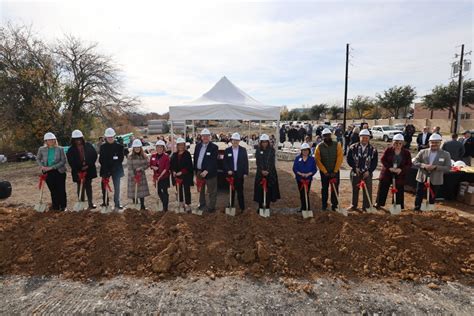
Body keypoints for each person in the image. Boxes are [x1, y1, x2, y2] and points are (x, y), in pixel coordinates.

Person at [412, 133, 451, 211]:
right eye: (432, 142)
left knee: (432, 196)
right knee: (419, 194)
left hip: (436, 179)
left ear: (440, 143)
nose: (434, 144)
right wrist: (423, 165)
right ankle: (417, 208)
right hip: (422, 177)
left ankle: (428, 210)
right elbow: (415, 161)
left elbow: (448, 167)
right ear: (429, 143)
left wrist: (436, 167)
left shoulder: (445, 154)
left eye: (436, 142)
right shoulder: (423, 152)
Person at [374, 134, 412, 210]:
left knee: (399, 188)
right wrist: (389, 168)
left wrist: (401, 170)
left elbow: (409, 164)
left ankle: (398, 205)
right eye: (395, 143)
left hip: (399, 173)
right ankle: (379, 203)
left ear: (403, 143)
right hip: (387, 172)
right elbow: (383, 160)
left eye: (399, 143)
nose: (397, 145)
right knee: (383, 187)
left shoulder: (406, 153)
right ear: (392, 143)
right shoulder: (388, 150)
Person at [347, 129, 378, 211]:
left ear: (369, 138)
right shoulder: (353, 147)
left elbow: (374, 162)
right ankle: (354, 205)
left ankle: (367, 206)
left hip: (367, 173)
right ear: (359, 137)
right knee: (355, 189)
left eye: (366, 138)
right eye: (363, 137)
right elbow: (349, 159)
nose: (364, 139)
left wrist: (369, 171)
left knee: (367, 189)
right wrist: (354, 167)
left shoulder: (373, 149)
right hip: (356, 172)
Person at [66, 129, 98, 210]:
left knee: (88, 186)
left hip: (89, 169)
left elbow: (94, 155)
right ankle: (81, 203)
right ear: (73, 140)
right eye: (76, 139)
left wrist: (88, 165)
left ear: (82, 138)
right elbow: (71, 161)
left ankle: (90, 203)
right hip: (78, 171)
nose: (78, 141)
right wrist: (79, 168)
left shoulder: (88, 145)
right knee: (80, 186)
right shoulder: (71, 150)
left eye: (79, 139)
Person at [36, 132, 67, 211]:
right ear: (45, 141)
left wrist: (52, 167)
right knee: (53, 190)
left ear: (55, 140)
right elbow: (38, 158)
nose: (50, 141)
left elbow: (63, 161)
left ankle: (63, 206)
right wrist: (42, 166)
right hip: (48, 173)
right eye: (48, 140)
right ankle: (55, 206)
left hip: (59, 172)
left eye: (52, 140)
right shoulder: (41, 149)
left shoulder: (60, 149)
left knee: (61, 189)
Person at [315, 128, 343, 211]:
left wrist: (335, 171)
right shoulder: (319, 147)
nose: (327, 137)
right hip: (324, 173)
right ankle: (324, 205)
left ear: (331, 135)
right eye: (325, 136)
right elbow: (318, 160)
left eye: (328, 135)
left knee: (335, 189)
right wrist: (325, 171)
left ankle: (334, 205)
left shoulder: (337, 145)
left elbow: (340, 158)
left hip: (335, 172)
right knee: (324, 189)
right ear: (322, 136)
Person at [99, 128, 125, 211]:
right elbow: (101, 160)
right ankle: (105, 202)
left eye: (111, 137)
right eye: (108, 137)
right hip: (105, 169)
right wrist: (107, 170)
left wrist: (113, 169)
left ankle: (117, 203)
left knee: (117, 187)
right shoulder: (102, 147)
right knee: (104, 186)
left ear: (114, 136)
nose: (110, 138)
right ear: (105, 137)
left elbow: (120, 159)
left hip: (116, 170)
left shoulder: (119, 147)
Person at [194, 128, 218, 212]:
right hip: (199, 172)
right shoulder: (198, 146)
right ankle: (202, 203)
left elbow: (213, 161)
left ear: (210, 137)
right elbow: (196, 158)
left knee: (212, 191)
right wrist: (196, 171)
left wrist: (207, 170)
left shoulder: (214, 147)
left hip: (210, 173)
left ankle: (211, 207)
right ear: (201, 137)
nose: (205, 138)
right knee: (201, 189)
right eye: (203, 136)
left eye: (207, 136)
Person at [223, 133, 249, 212]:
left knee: (240, 191)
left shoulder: (243, 150)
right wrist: (228, 170)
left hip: (239, 174)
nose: (235, 142)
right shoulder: (227, 150)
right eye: (234, 140)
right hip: (231, 174)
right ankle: (231, 204)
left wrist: (245, 172)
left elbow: (245, 162)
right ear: (231, 141)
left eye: (237, 140)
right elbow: (225, 162)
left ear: (239, 141)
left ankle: (242, 207)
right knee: (231, 190)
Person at [254, 134, 280, 211]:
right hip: (260, 173)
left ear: (268, 142)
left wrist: (268, 170)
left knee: (269, 190)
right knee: (260, 190)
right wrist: (262, 170)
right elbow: (258, 161)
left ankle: (267, 206)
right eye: (263, 142)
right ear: (260, 142)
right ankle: (260, 206)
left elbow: (272, 162)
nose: (264, 143)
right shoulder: (258, 150)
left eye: (266, 142)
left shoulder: (272, 150)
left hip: (270, 173)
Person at [170, 138, 194, 211]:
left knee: (186, 190)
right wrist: (173, 171)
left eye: (182, 145)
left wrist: (182, 172)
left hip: (186, 176)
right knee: (179, 190)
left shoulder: (187, 154)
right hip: (177, 176)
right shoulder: (174, 155)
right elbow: (172, 165)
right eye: (179, 145)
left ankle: (188, 204)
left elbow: (189, 165)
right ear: (177, 146)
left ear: (184, 145)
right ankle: (181, 203)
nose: (180, 146)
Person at [127, 139, 150, 210]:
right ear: (133, 148)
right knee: (134, 192)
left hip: (141, 176)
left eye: (138, 147)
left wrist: (141, 168)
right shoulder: (130, 156)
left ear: (140, 147)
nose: (137, 149)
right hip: (133, 177)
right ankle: (135, 205)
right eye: (135, 147)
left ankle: (142, 206)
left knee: (141, 193)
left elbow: (147, 164)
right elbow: (129, 168)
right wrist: (134, 177)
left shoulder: (144, 156)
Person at [293, 143, 317, 211]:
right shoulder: (298, 158)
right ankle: (303, 207)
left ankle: (307, 208)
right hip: (300, 179)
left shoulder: (312, 159)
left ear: (309, 151)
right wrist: (300, 173)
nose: (305, 152)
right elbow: (294, 168)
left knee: (306, 193)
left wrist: (309, 174)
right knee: (302, 193)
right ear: (301, 151)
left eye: (306, 150)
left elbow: (314, 169)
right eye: (303, 150)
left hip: (308, 179)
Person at [150, 140, 170, 211]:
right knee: (158, 191)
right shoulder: (153, 156)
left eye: (161, 147)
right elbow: (151, 165)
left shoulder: (166, 156)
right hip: (156, 177)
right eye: (158, 147)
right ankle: (164, 202)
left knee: (164, 191)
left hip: (164, 177)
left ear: (163, 148)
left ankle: (165, 207)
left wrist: (160, 176)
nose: (159, 148)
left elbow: (166, 168)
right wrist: (153, 167)